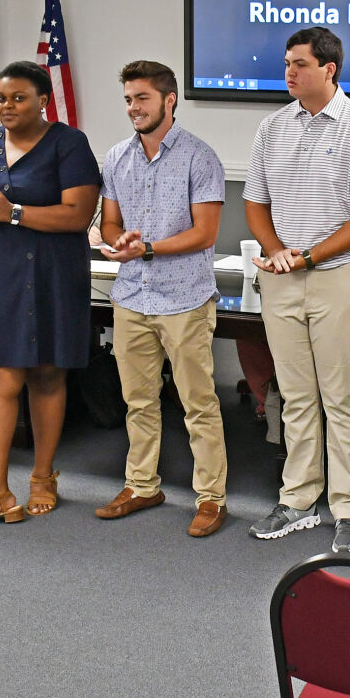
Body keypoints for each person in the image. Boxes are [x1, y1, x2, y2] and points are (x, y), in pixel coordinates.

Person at [243, 26, 350, 553]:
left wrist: (308, 255)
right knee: (296, 395)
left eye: (299, 64)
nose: (289, 72)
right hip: (283, 278)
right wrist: (278, 249)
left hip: (341, 278)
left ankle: (349, 508)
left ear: (329, 69)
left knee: (343, 396)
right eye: (286, 63)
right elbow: (256, 203)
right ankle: (299, 499)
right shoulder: (272, 128)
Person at [0, 61, 102, 529]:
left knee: (47, 373)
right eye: (1, 98)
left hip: (55, 270)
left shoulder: (70, 144)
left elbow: (78, 216)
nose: (7, 106)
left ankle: (42, 476)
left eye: (18, 98)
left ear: (42, 101)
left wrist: (11, 212)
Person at [94, 60, 229, 538]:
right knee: (138, 401)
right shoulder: (116, 158)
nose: (134, 108)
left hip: (185, 299)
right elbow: (109, 224)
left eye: (143, 98)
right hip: (132, 296)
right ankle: (141, 485)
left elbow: (205, 233)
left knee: (198, 403)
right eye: (129, 99)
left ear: (169, 100)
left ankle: (211, 497)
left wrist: (147, 247)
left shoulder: (200, 157)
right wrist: (118, 242)